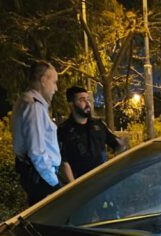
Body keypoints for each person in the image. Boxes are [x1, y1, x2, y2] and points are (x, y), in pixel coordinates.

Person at [11, 61, 61, 205]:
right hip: (42, 179)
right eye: (54, 82)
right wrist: (54, 183)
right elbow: (37, 151)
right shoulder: (34, 107)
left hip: (35, 176)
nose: (55, 88)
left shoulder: (24, 101)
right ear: (44, 80)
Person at [58, 86, 125, 183]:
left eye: (88, 99)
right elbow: (63, 163)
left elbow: (117, 145)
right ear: (71, 105)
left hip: (104, 181)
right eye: (82, 100)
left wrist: (122, 144)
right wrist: (74, 188)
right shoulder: (64, 131)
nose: (87, 103)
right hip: (83, 187)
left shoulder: (99, 125)